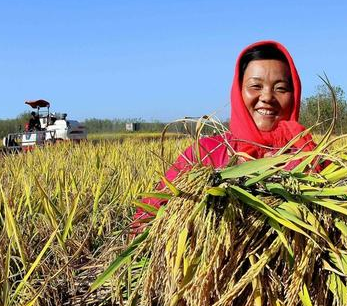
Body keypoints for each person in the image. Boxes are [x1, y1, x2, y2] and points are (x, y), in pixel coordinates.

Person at [132, 40, 329, 229]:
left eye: (280, 88)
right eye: (256, 86)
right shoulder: (204, 153)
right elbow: (145, 219)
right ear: (238, 91)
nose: (267, 96)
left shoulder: (312, 156)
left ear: (294, 96)